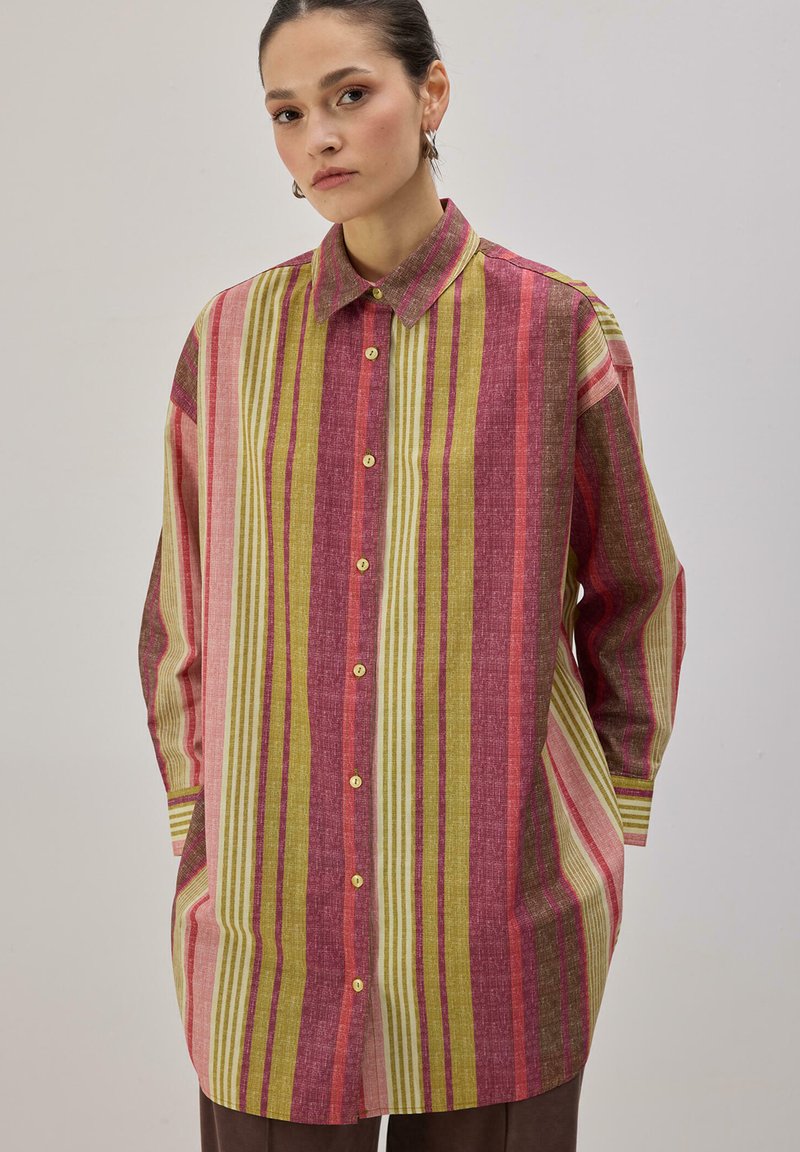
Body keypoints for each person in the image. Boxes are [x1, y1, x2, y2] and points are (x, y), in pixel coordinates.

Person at [137, 2, 687, 1149]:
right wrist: (202, 818)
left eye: (350, 95)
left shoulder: (554, 329)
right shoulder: (228, 339)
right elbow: (180, 604)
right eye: (288, 113)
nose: (319, 137)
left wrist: (601, 803)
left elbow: (634, 587)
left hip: (496, 926)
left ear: (430, 94)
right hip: (268, 924)